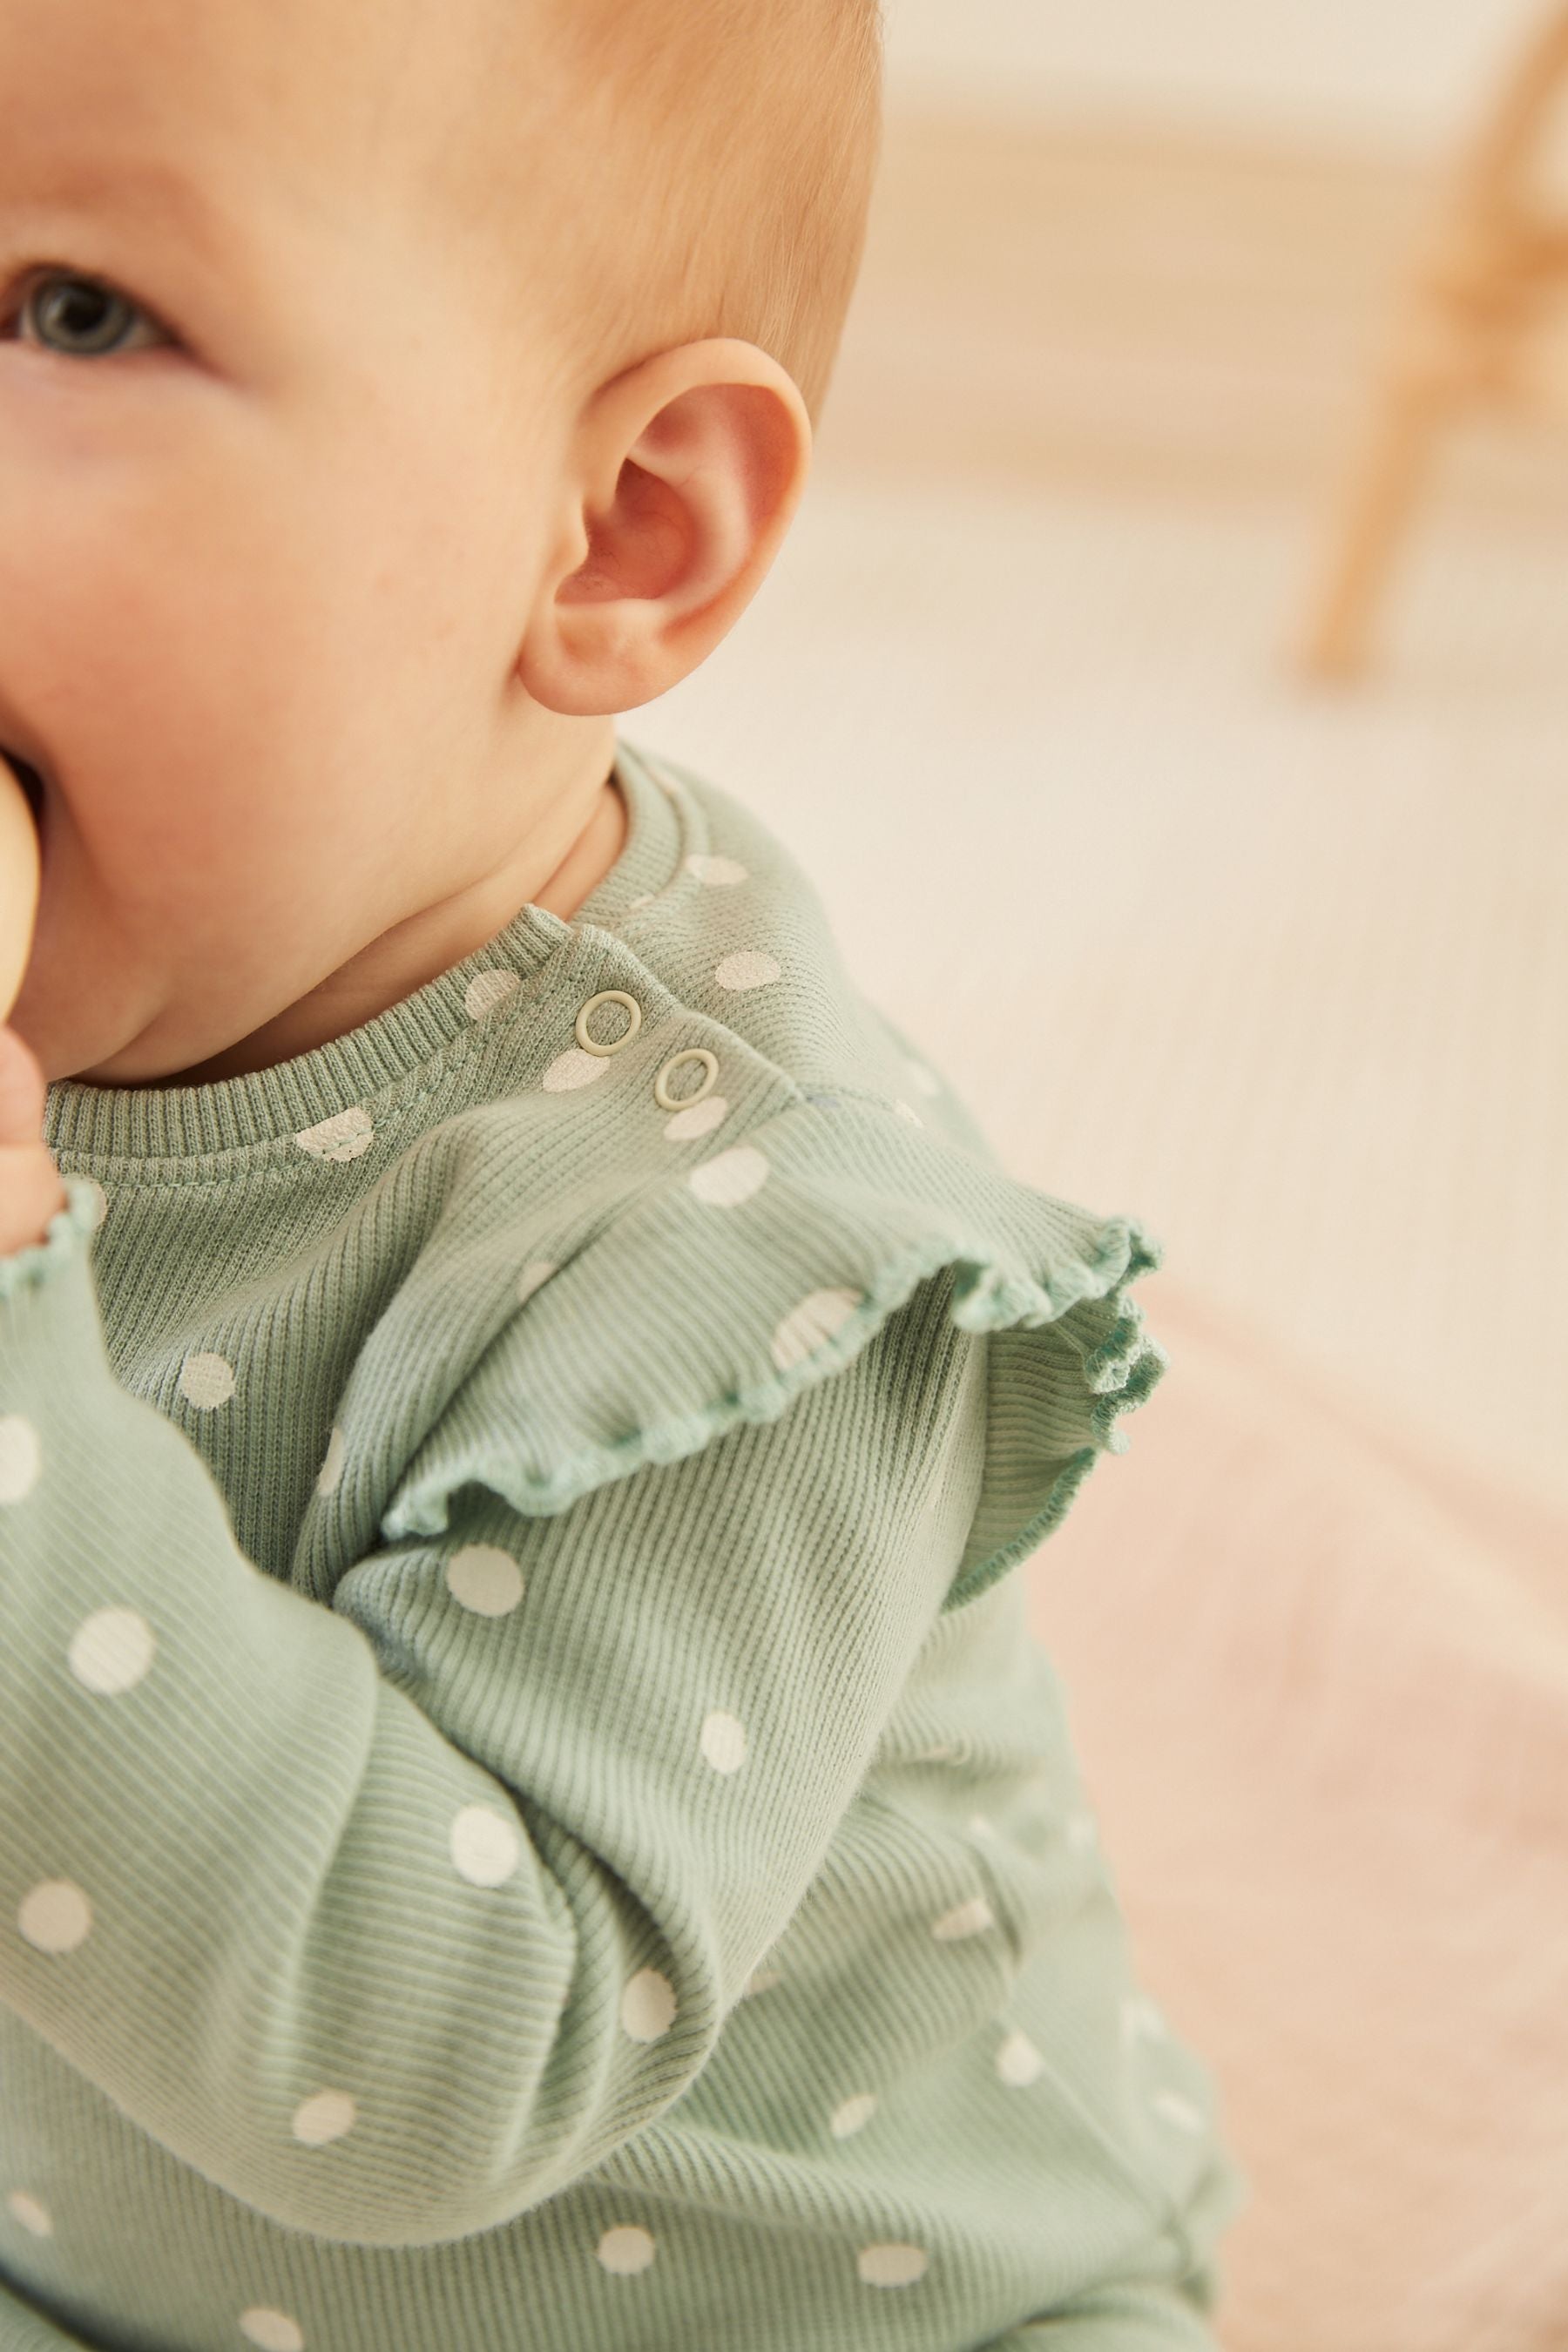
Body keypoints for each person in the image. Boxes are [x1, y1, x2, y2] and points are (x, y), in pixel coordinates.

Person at [0, 0, 1247, 2342]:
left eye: (74, 313)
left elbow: (436, 2057)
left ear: (624, 530)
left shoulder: (739, 1251)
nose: (38, 345)